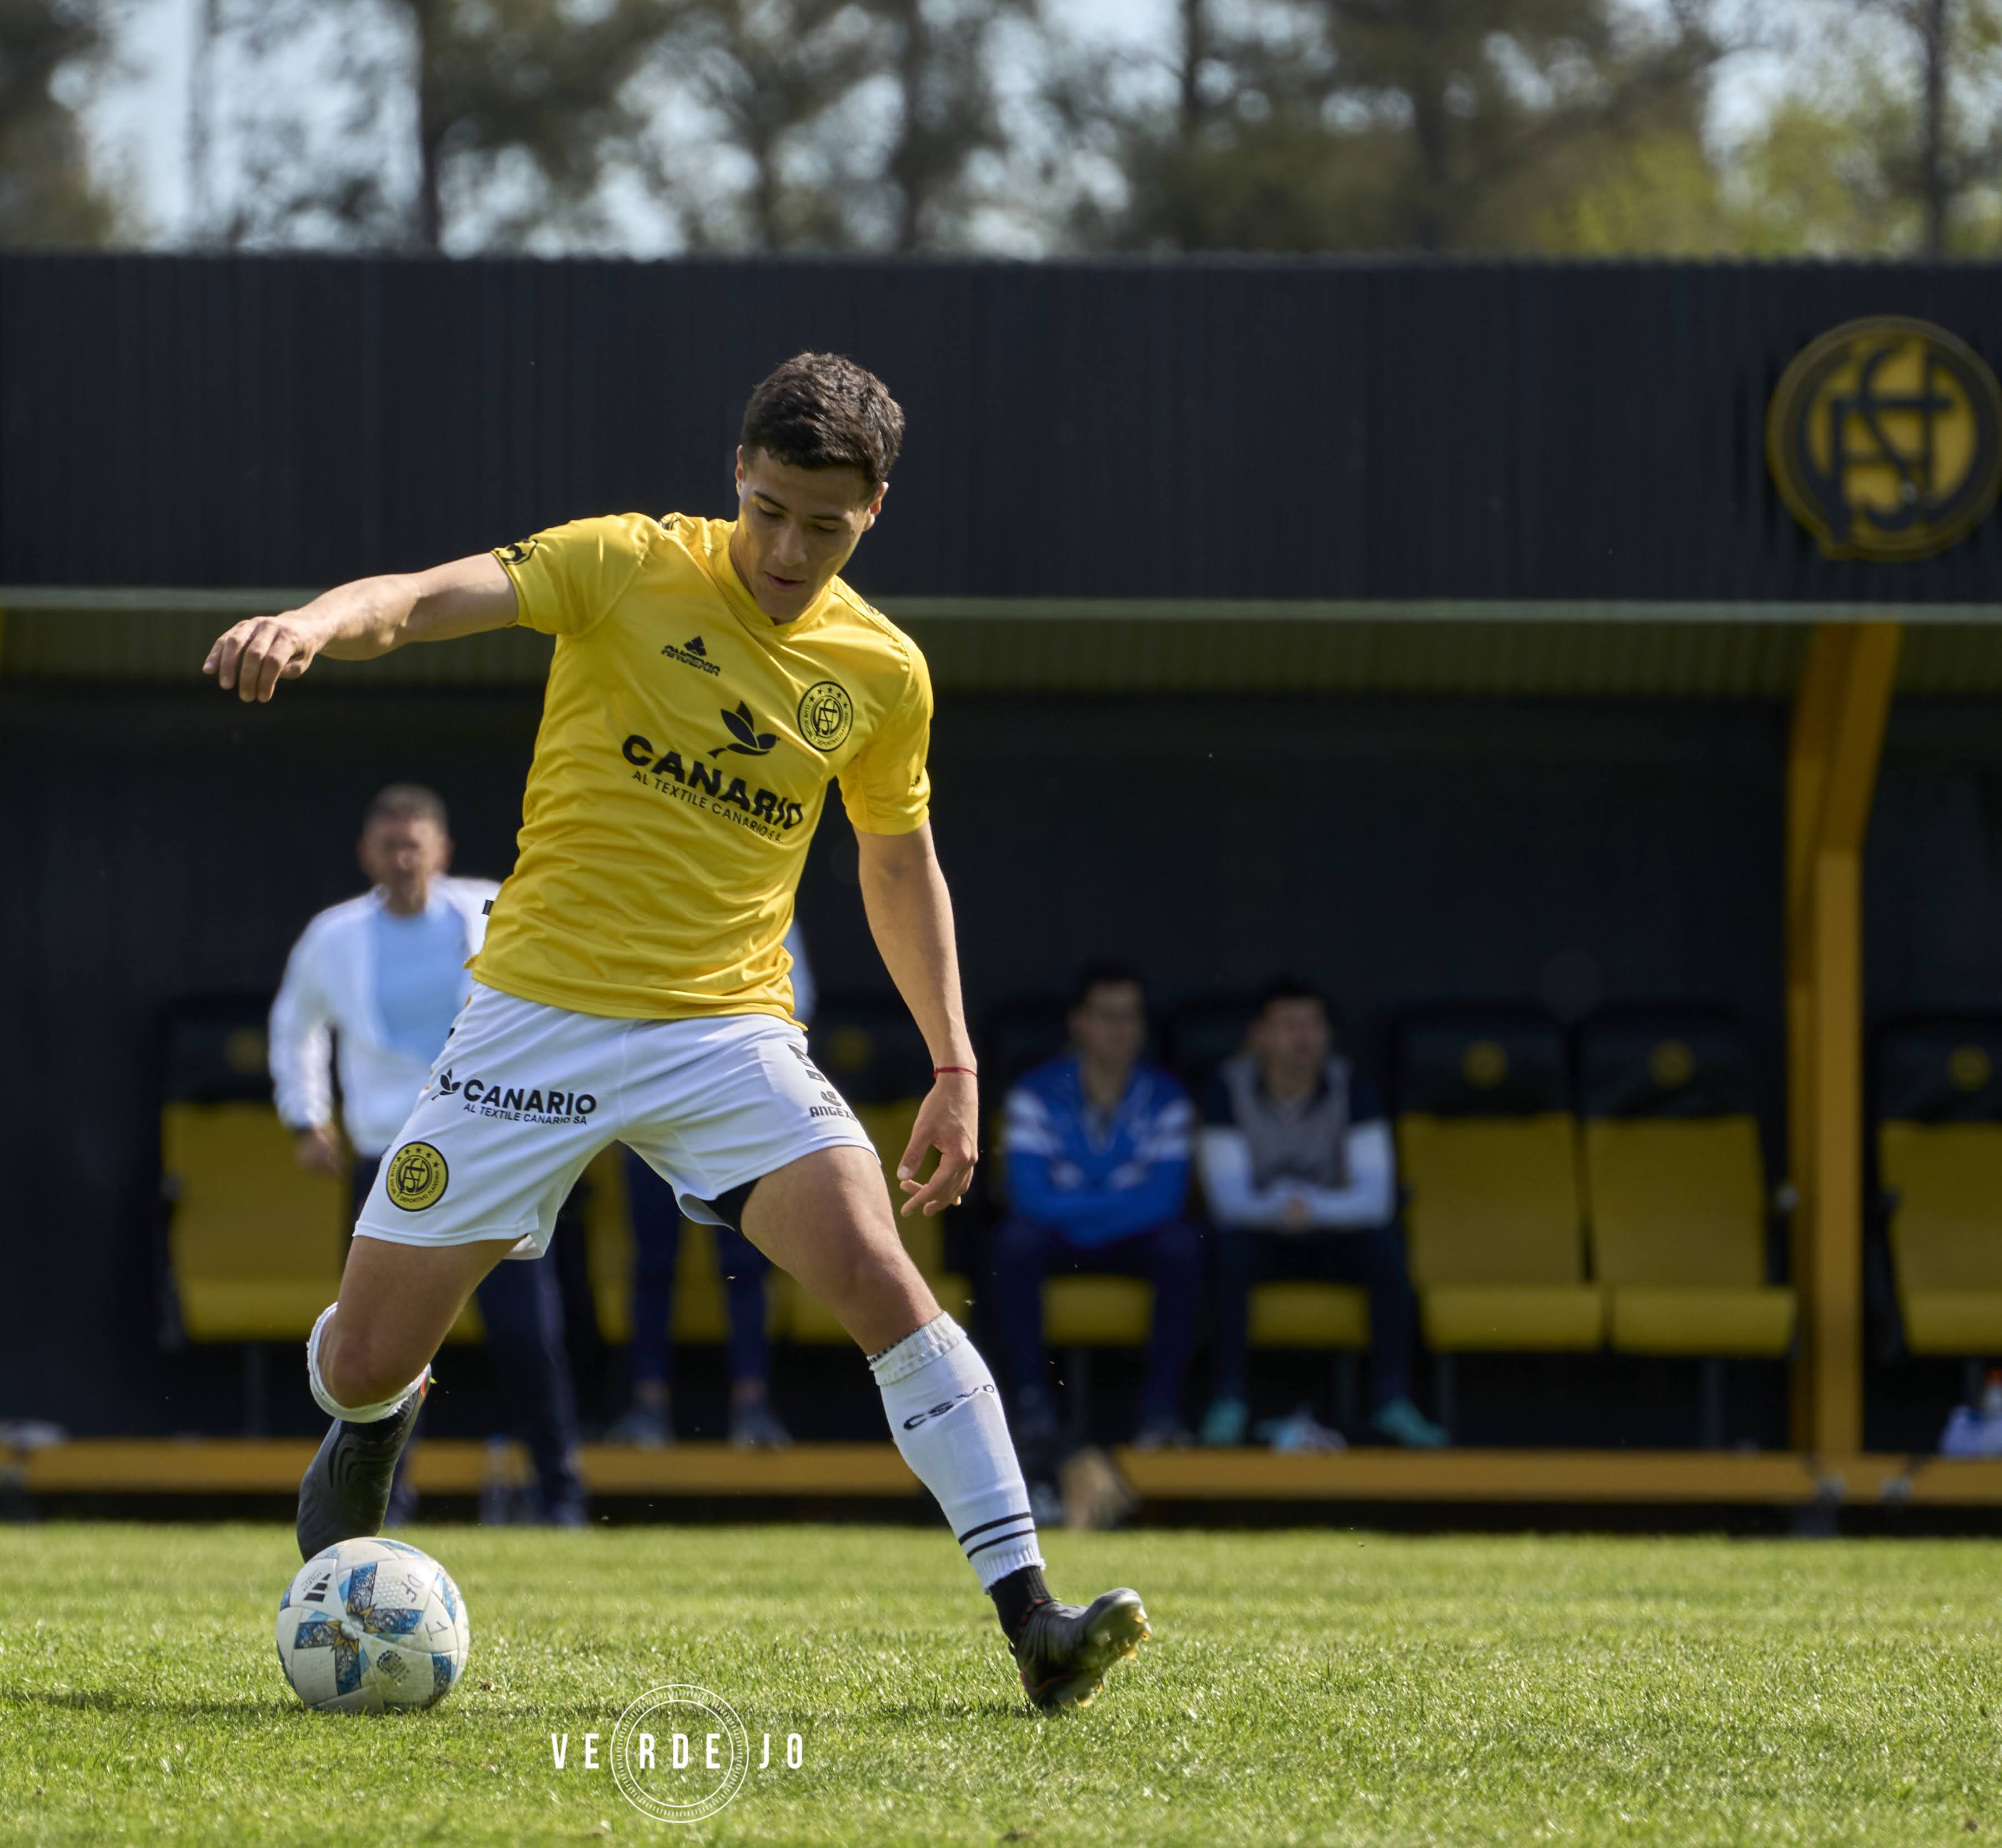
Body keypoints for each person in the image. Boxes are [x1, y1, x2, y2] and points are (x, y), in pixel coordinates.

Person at [208, 352, 1149, 1709]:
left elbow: (896, 867)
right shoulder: (619, 563)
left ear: (870, 512)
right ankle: (374, 1418)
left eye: (821, 526)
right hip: (529, 1022)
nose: (785, 547)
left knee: (884, 1281)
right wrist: (308, 621)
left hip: (723, 1034)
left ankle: (1035, 1628)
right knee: (361, 1360)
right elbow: (416, 600)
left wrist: (952, 1062)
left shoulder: (881, 673)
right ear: (735, 478)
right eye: (767, 510)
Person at [268, 784, 587, 1524]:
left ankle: (562, 1492)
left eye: (415, 843)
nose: (403, 857)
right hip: (391, 1158)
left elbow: (561, 992)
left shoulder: (492, 910)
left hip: (495, 1151)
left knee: (525, 1334)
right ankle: (382, 1500)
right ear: (367, 854)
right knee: (384, 1345)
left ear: (440, 850)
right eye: (390, 844)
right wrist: (305, 1115)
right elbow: (296, 1026)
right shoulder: (333, 935)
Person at [1195, 977, 1447, 1449]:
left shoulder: (1353, 1087)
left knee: (1386, 1247)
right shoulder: (1224, 1090)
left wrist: (1307, 1206)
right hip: (1260, 1239)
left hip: (1332, 1236)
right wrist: (1283, 1208)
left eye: (1313, 1024)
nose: (1303, 1037)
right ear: (1259, 1035)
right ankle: (1227, 1401)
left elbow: (1375, 1199)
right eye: (1289, 1025)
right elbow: (1227, 1201)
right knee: (1223, 1249)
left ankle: (1392, 1401)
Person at [601, 918, 815, 1452]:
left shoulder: (762, 898)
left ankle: (754, 1410)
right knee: (652, 1262)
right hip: (651, 1113)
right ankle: (646, 1410)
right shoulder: (639, 898)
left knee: (745, 1261)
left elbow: (796, 1000)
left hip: (734, 1113)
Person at [988, 961, 1207, 1451]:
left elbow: (1165, 1200)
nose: (1120, 1030)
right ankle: (1030, 1403)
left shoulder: (1168, 1097)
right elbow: (1027, 1195)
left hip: (1124, 1237)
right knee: (1013, 1243)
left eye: (1130, 1017)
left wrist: (1082, 1212)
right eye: (1106, 1016)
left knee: (1182, 1248)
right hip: (1059, 1237)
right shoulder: (1033, 1094)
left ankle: (1161, 1412)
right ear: (1078, 1023)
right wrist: (1110, 1208)